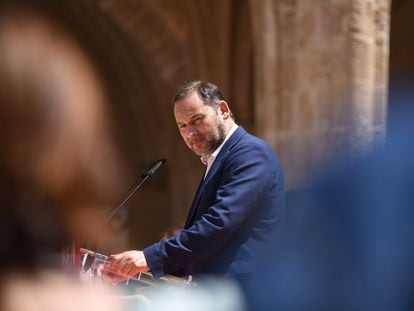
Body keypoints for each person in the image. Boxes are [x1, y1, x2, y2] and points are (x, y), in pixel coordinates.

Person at [106, 81, 285, 288]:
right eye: (182, 125)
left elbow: (218, 224)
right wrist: (132, 270)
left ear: (223, 110)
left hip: (246, 291)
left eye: (196, 119)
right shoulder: (220, 159)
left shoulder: (251, 153)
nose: (190, 132)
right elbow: (204, 248)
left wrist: (148, 259)